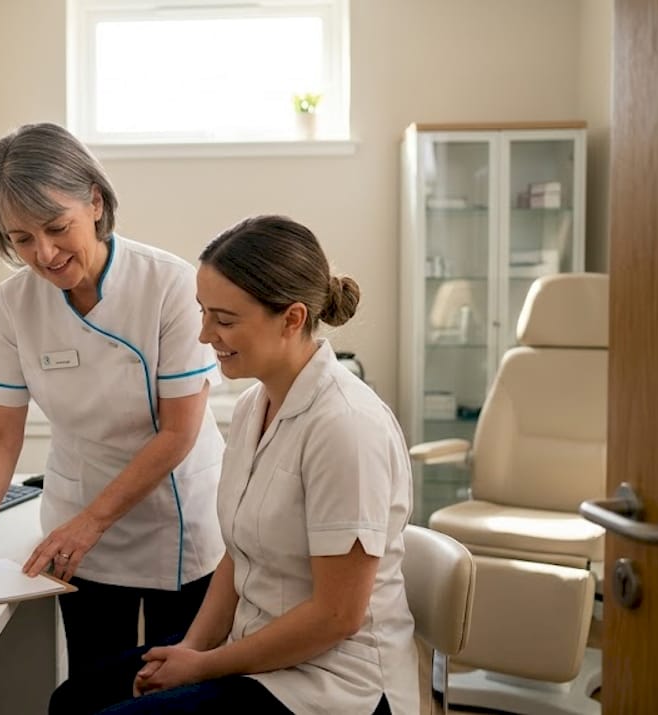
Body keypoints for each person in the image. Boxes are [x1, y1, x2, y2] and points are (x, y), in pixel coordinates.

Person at [49, 215, 418, 714]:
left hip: (334, 684)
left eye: (223, 320)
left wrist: (200, 668)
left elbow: (337, 617)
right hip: (258, 654)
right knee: (75, 698)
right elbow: (238, 557)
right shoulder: (252, 407)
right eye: (202, 313)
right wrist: (190, 650)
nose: (204, 335)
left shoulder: (346, 428)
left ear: (291, 318)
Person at [0, 122, 226, 677]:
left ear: (94, 200)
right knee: (93, 685)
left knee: (174, 692)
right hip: (77, 530)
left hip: (175, 524)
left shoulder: (169, 285)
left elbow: (179, 431)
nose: (44, 253)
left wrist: (92, 521)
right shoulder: (15, 303)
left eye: (56, 227)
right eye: (20, 239)